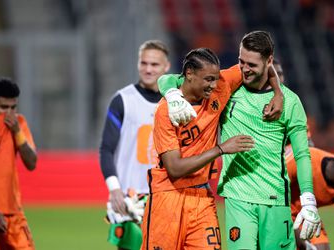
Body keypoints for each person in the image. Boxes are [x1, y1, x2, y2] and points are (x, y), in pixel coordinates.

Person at [158, 31, 322, 249]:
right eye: (241, 61)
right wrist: (171, 94)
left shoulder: (290, 103)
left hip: (275, 198)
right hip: (238, 197)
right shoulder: (225, 87)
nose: (245, 69)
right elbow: (170, 78)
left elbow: (302, 154)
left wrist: (308, 199)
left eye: (252, 65)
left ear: (269, 61)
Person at [141, 47, 257, 249]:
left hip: (202, 197)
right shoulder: (165, 111)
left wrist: (278, 92)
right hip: (168, 198)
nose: (213, 85)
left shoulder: (220, 87)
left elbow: (255, 64)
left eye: (215, 78)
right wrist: (220, 149)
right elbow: (174, 168)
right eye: (208, 79)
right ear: (189, 74)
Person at [99, 40, 171, 249]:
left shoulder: (174, 102)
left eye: (154, 64)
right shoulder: (122, 100)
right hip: (131, 200)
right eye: (143, 63)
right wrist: (114, 190)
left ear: (166, 67)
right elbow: (106, 149)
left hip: (165, 197)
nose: (148, 69)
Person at [0, 78, 37, 250]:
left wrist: (17, 133)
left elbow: (32, 162)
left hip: (13, 215)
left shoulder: (18, 123)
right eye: (4, 107)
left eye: (13, 107)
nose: (9, 113)